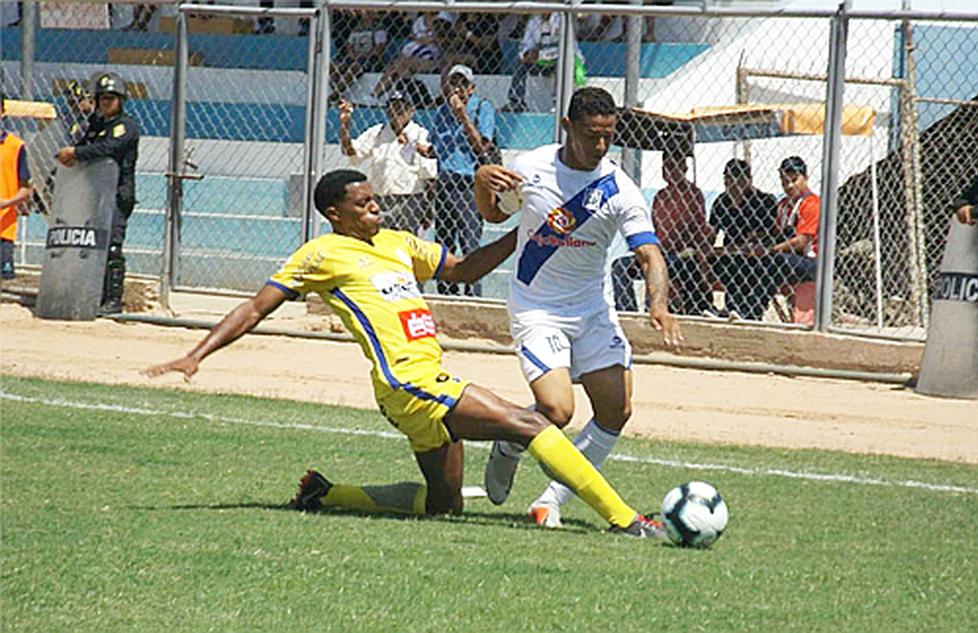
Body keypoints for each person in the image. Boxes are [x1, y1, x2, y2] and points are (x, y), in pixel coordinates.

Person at [145, 169, 665, 539]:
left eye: (375, 199)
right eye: (363, 202)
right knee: (531, 425)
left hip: (418, 383)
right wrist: (197, 354)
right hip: (407, 382)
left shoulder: (397, 243)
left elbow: (461, 269)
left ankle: (327, 494)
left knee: (445, 506)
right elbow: (256, 307)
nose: (376, 206)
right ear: (335, 213)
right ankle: (625, 519)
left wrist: (522, 234)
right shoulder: (321, 254)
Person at [474, 87, 684, 528]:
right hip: (537, 307)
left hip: (592, 310)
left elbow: (650, 254)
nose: (601, 146)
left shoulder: (619, 189)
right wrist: (482, 183)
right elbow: (495, 216)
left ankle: (550, 501)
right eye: (592, 136)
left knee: (616, 410)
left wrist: (658, 304)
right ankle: (511, 442)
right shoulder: (531, 168)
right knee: (556, 411)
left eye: (609, 136)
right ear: (567, 127)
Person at [56, 72, 140, 315]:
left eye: (111, 98)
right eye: (102, 98)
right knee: (92, 243)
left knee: (112, 244)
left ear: (120, 100)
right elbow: (86, 145)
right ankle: (93, 293)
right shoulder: (97, 125)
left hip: (117, 194)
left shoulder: (125, 126)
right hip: (94, 192)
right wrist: (74, 155)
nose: (106, 102)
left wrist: (76, 153)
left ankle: (113, 300)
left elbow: (108, 148)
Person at [421, 64, 496, 296]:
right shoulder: (442, 112)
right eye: (453, 84)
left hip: (470, 186)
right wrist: (425, 150)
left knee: (470, 244)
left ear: (471, 88)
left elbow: (481, 147)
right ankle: (447, 293)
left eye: (462, 84)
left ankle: (473, 295)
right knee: (444, 244)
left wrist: (463, 116)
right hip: (445, 183)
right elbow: (437, 146)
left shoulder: (482, 108)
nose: (457, 89)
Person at [610, 152, 715, 315]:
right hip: (660, 251)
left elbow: (696, 230)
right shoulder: (661, 196)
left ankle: (657, 307)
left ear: (684, 168)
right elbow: (655, 230)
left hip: (681, 254)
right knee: (620, 267)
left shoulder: (693, 194)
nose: (669, 171)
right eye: (666, 167)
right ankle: (627, 310)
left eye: (674, 167)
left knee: (671, 263)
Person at [718, 156, 820, 321]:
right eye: (785, 181)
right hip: (787, 257)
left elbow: (802, 241)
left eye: (794, 180)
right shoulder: (783, 205)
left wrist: (770, 249)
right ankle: (735, 306)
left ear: (805, 178)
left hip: (810, 261)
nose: (789, 186)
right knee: (748, 261)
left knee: (770, 261)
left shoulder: (811, 203)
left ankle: (751, 310)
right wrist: (758, 241)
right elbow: (776, 234)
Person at [338, 93, 436, 236]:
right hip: (381, 199)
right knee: (380, 241)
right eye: (393, 107)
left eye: (402, 108)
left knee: (407, 242)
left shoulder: (420, 134)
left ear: (411, 111)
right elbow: (351, 152)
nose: (396, 112)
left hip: (409, 199)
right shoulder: (378, 132)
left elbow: (430, 175)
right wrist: (345, 125)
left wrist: (428, 208)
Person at [709, 159, 779, 317]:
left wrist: (736, 248)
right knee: (697, 261)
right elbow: (711, 234)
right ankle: (705, 308)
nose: (733, 184)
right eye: (728, 179)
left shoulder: (763, 201)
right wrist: (706, 248)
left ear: (748, 180)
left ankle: (745, 313)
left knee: (741, 263)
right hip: (729, 254)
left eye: (738, 178)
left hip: (755, 257)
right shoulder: (721, 202)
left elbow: (764, 238)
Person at [371, 12, 454, 101]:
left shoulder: (444, 18)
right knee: (396, 67)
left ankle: (403, 90)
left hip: (433, 60)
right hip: (416, 56)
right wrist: (421, 39)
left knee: (401, 64)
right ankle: (375, 95)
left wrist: (432, 39)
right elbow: (413, 36)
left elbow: (447, 40)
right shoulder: (421, 24)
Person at [1, 94, 34, 281]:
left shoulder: (16, 147)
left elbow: (26, 189)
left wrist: (7, 202)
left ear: (3, 112)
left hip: (3, 227)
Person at [502, 13, 561, 113]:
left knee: (561, 65)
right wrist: (526, 54)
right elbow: (526, 42)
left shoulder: (562, 19)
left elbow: (565, 48)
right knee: (519, 63)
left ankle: (558, 102)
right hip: (538, 61)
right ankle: (516, 101)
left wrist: (541, 55)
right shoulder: (534, 20)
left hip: (555, 58)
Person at [328, 10, 389, 103]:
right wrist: (353, 55)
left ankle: (336, 93)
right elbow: (349, 46)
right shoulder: (357, 28)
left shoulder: (379, 28)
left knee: (354, 67)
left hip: (370, 59)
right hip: (354, 57)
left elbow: (379, 50)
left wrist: (362, 56)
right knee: (332, 66)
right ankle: (337, 90)